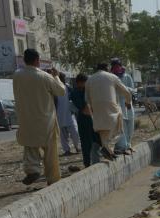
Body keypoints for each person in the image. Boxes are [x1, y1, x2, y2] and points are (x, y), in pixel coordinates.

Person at [12, 48, 65, 185]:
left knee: (30, 146)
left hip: (26, 119)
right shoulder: (44, 76)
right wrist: (56, 76)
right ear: (37, 60)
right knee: (50, 152)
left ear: (24, 60)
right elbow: (61, 91)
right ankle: (53, 179)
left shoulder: (17, 75)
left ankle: (32, 170)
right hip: (45, 120)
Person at [86, 61, 132, 160]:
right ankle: (107, 148)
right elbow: (126, 91)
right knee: (119, 128)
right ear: (107, 68)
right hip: (111, 108)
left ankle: (108, 151)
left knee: (103, 132)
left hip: (97, 109)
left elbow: (87, 99)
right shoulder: (112, 77)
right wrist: (128, 102)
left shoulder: (89, 80)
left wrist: (93, 108)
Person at [69, 74, 101, 167]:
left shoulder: (87, 90)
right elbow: (85, 109)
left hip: (93, 119)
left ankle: (96, 162)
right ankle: (87, 164)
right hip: (84, 120)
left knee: (97, 141)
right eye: (85, 82)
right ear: (79, 83)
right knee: (86, 143)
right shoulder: (75, 93)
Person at [110, 59, 137, 154]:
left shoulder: (127, 76)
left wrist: (124, 89)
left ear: (121, 66)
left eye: (118, 66)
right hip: (118, 105)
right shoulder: (111, 78)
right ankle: (125, 146)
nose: (117, 68)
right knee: (122, 127)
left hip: (128, 104)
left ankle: (129, 144)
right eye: (114, 66)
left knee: (130, 126)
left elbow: (133, 90)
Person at [55, 73, 81, 156]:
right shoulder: (54, 89)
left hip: (69, 114)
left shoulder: (68, 87)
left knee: (75, 132)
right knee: (63, 135)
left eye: (63, 78)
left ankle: (78, 147)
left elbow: (73, 98)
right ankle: (67, 150)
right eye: (61, 78)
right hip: (59, 115)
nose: (63, 79)